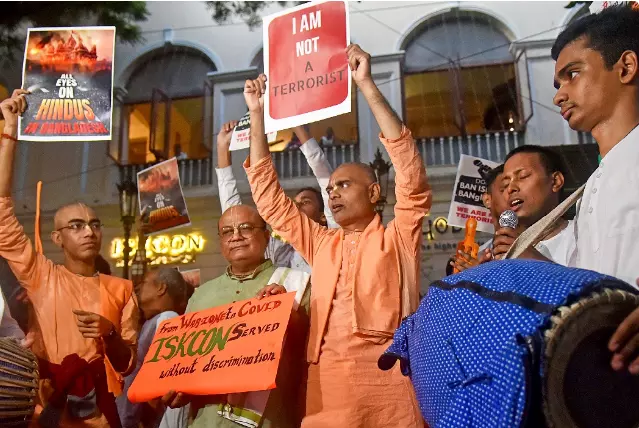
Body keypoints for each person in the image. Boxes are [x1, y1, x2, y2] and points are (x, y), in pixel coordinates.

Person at [242, 44, 429, 427]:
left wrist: (366, 84)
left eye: (344, 185)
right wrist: (257, 115)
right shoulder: (322, 243)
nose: (333, 193)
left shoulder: (399, 237)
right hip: (327, 384)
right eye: (330, 189)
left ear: (375, 193)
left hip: (391, 378)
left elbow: (410, 174)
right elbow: (270, 201)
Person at [0, 89, 139, 427]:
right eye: (76, 226)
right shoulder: (41, 275)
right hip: (46, 411)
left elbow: (127, 365)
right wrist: (9, 134)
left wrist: (110, 335)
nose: (89, 232)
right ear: (57, 238)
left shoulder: (121, 289)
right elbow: (1, 213)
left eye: (93, 224)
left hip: (101, 415)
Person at [538, 5, 639, 376]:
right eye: (558, 83)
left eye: (573, 75)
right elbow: (589, 282)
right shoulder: (593, 185)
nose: (559, 96)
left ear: (625, 67)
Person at [161, 204, 311, 428]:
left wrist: (287, 314)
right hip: (206, 420)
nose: (236, 237)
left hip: (270, 419)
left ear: (266, 236)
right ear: (221, 242)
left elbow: (312, 352)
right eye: (228, 232)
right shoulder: (201, 295)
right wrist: (178, 388)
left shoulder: (295, 283)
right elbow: (186, 362)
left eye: (246, 228)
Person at [215, 120, 337, 274]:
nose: (296, 206)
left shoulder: (333, 238)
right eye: (295, 202)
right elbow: (235, 215)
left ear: (324, 215)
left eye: (306, 202)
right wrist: (222, 148)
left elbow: (325, 178)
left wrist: (295, 123)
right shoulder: (277, 251)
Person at [117, 267, 193, 428]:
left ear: (161, 288)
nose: (138, 287)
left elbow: (168, 383)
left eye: (144, 282)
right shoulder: (157, 321)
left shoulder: (167, 321)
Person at [489, 145, 576, 263]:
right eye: (505, 184)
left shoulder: (581, 234)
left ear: (555, 181)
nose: (510, 188)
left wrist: (534, 261)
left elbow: (597, 281)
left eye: (523, 176)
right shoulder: (501, 250)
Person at [451, 164, 505, 273]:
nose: (513, 192)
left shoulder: (541, 248)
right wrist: (475, 275)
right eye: (505, 188)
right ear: (487, 200)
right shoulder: (478, 256)